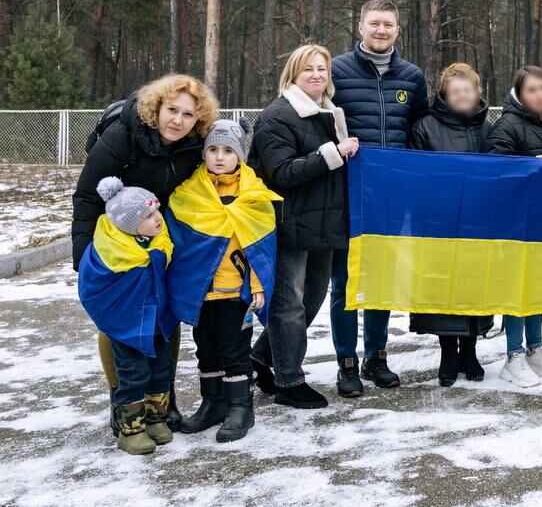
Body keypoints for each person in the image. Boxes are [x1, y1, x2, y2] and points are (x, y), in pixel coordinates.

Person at [71, 73, 219, 430]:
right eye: (172, 110)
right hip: (117, 241)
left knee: (164, 316)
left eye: (188, 115)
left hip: (162, 238)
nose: (178, 121)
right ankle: (124, 401)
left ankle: (160, 399)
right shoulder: (124, 135)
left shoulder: (193, 144)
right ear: (157, 108)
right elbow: (88, 195)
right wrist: (85, 256)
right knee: (117, 319)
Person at [328, 0, 429, 396]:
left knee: (382, 278)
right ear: (361, 27)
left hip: (392, 194)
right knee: (345, 279)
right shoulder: (335, 70)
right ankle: (346, 361)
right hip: (347, 190)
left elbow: (421, 131)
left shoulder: (412, 76)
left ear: (397, 30)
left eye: (388, 24)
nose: (381, 30)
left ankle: (376, 355)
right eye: (374, 24)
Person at [249, 44, 358, 410]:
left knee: (310, 300)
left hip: (324, 224)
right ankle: (289, 381)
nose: (316, 75)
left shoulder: (330, 113)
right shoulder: (277, 116)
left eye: (322, 69)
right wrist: (332, 154)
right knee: (289, 303)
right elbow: (282, 173)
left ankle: (261, 357)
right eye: (308, 69)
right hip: (288, 224)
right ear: (293, 74)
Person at [165, 119, 279, 442]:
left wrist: (257, 285)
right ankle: (212, 403)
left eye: (228, 150)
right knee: (206, 349)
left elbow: (260, 248)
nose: (219, 156)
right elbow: (182, 244)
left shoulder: (253, 195)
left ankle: (240, 407)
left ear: (239, 155)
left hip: (235, 293)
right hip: (202, 292)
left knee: (235, 350)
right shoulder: (190, 193)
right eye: (213, 149)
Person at [408, 62, 494, 386]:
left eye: (468, 90)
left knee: (474, 286)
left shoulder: (487, 128)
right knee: (442, 287)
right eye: (456, 90)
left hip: (478, 220)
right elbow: (414, 172)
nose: (462, 95)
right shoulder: (425, 127)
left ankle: (470, 351)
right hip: (437, 220)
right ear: (445, 93)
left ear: (477, 92)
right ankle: (447, 352)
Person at [76, 178, 173, 455]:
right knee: (133, 373)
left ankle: (155, 420)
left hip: (156, 320)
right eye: (149, 215)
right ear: (129, 224)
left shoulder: (157, 242)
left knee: (161, 369)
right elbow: (95, 288)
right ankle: (130, 430)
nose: (158, 219)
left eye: (157, 211)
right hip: (128, 324)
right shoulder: (112, 252)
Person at [490, 66, 542, 387]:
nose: (538, 95)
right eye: (531, 90)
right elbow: (496, 168)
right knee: (517, 286)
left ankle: (535, 348)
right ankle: (513, 355)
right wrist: (529, 166)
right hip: (514, 218)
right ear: (520, 95)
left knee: (537, 283)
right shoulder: (507, 124)